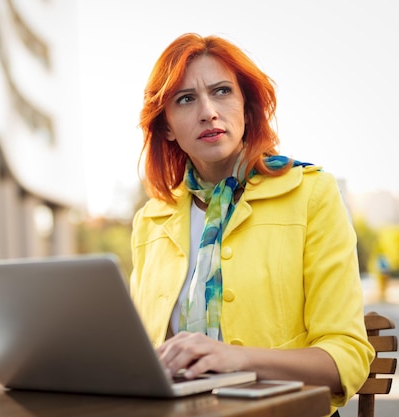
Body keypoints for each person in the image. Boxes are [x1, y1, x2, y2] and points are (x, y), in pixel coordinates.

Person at [129, 33, 374, 416]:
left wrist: (233, 358)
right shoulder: (150, 221)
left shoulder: (312, 194)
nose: (208, 111)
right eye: (186, 99)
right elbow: (144, 352)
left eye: (222, 91)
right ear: (166, 127)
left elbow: (346, 358)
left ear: (248, 108)